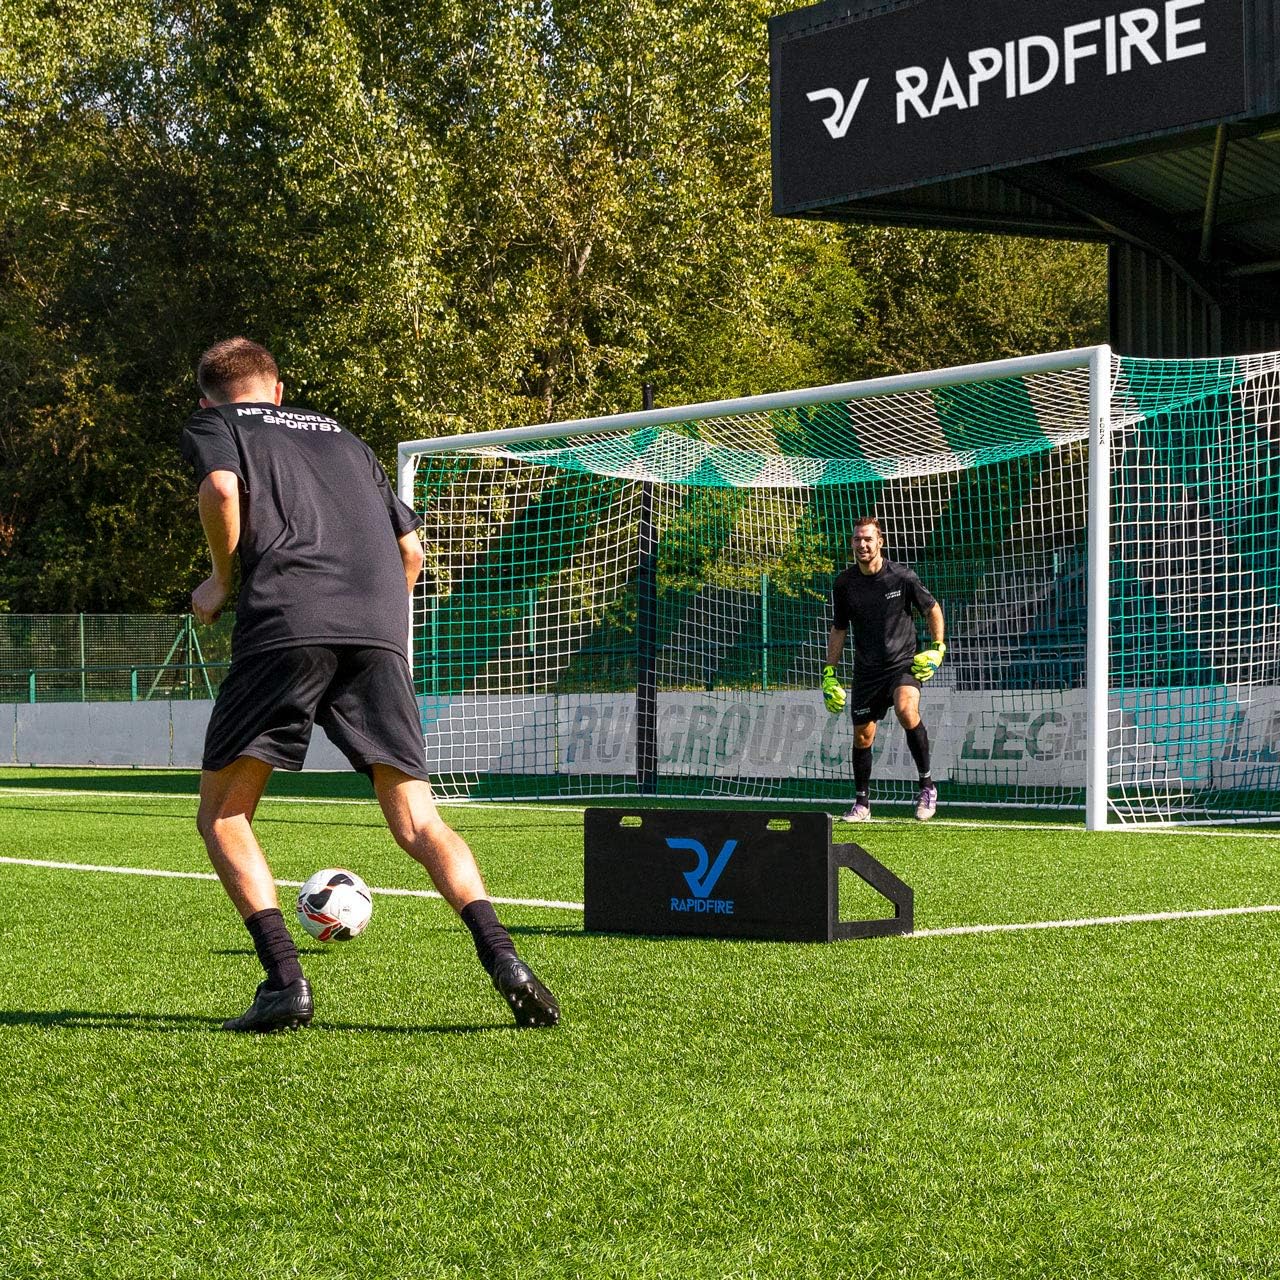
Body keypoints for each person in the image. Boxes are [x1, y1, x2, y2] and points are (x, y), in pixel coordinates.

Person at [180, 337, 559, 1033]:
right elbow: (410, 551)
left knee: (224, 815)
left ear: (209, 397)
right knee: (419, 820)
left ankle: (284, 983)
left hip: (286, 624)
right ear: (280, 388)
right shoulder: (346, 440)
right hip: (378, 632)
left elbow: (222, 489)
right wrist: (377, 623)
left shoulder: (218, 424)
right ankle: (505, 958)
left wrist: (221, 580)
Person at [820, 516, 946, 823]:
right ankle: (862, 804)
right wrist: (829, 673)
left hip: (903, 663)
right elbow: (839, 629)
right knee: (863, 737)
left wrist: (938, 647)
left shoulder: (901, 577)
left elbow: (932, 608)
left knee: (906, 710)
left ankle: (927, 786)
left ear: (880, 542)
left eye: (868, 539)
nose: (862, 545)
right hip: (867, 671)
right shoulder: (844, 584)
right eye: (857, 540)